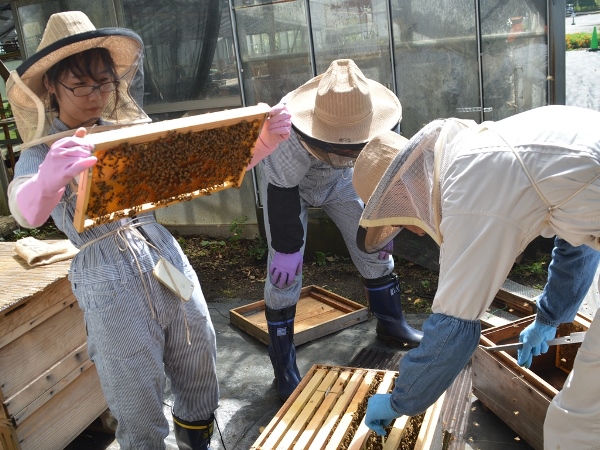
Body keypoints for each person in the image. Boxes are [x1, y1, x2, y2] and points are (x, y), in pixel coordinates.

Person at [6, 11, 289, 450]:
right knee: (131, 380)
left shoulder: (126, 133)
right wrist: (48, 179)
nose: (96, 95)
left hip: (160, 253)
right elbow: (27, 211)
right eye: (82, 85)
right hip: (105, 272)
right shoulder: (44, 151)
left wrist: (260, 145)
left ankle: (196, 439)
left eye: (104, 83)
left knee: (199, 347)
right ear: (51, 87)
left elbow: (196, 171)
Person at [352, 105, 600, 448]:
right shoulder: (489, 145)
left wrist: (401, 400)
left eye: (399, 218)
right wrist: (550, 316)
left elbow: (454, 328)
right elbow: (581, 239)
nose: (416, 232)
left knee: (575, 425)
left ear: (406, 193)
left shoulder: (471, 188)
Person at [259, 59, 423, 401]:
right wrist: (288, 251)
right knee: (283, 275)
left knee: (374, 249)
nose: (349, 150)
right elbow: (282, 194)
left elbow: (386, 173)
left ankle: (391, 324)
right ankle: (283, 366)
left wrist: (384, 221)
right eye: (342, 146)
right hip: (291, 188)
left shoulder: (374, 115)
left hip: (341, 182)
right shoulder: (286, 133)